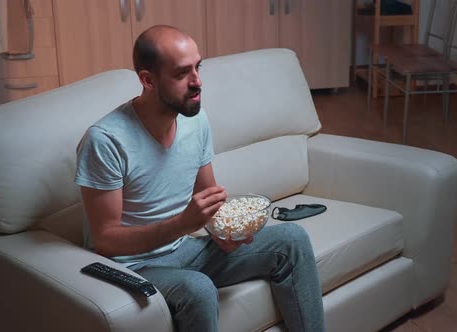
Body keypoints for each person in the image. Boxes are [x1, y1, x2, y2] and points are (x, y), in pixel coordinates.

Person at [75, 25, 324, 331]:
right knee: (198, 289)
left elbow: (209, 199)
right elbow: (105, 241)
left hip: (183, 249)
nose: (197, 82)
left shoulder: (196, 120)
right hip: (131, 266)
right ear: (148, 80)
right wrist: (181, 224)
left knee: (292, 239)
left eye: (198, 67)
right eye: (182, 73)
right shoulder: (105, 141)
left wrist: (223, 231)